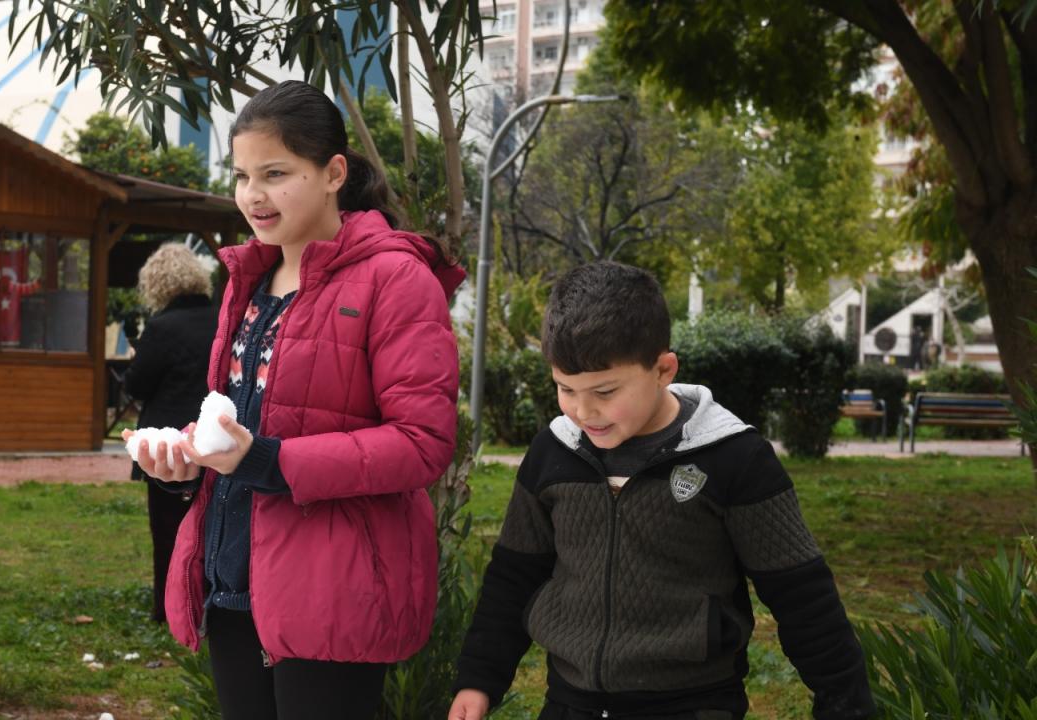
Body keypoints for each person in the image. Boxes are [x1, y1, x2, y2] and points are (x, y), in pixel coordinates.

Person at [126, 80, 463, 720]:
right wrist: (186, 464)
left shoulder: (395, 278)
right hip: (233, 579)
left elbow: (423, 443)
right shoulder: (248, 278)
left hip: (333, 586)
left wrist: (269, 461)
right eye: (243, 175)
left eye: (276, 173)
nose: (254, 194)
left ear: (333, 172)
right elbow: (238, 424)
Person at [448, 261, 874, 720]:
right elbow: (514, 578)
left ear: (663, 369)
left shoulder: (735, 458)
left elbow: (800, 593)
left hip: (693, 704)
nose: (583, 411)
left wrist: (843, 702)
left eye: (606, 391)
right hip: (570, 703)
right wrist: (479, 678)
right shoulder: (553, 452)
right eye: (565, 389)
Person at [121, 242, 218, 623]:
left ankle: (168, 607)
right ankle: (210, 602)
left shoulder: (161, 327)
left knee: (168, 532)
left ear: (155, 284)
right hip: (213, 439)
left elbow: (136, 385)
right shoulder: (221, 317)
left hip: (167, 442)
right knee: (212, 527)